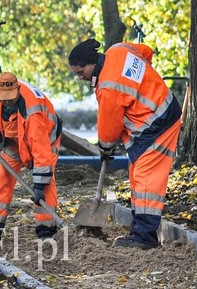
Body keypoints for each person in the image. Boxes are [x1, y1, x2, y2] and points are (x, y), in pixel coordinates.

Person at [68, 38, 182, 249]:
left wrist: (105, 148)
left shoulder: (108, 88)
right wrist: (145, 84)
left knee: (146, 177)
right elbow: (146, 52)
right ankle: (140, 229)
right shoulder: (119, 49)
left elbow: (109, 129)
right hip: (160, 111)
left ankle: (145, 238)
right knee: (136, 174)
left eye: (80, 72)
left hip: (155, 123)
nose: (80, 77)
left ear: (91, 64)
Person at [0, 71, 62, 243]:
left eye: (10, 98)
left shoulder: (33, 113)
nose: (7, 102)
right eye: (3, 98)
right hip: (13, 141)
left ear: (18, 90)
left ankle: (46, 232)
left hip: (44, 140)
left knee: (46, 185)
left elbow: (41, 152)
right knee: (2, 180)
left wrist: (38, 186)